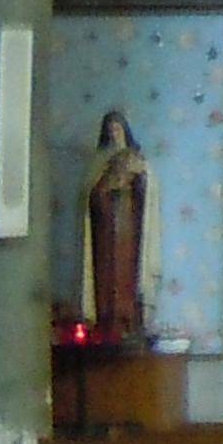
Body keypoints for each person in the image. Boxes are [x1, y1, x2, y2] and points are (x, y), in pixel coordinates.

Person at [81, 107, 155, 345]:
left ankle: (127, 319)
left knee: (125, 272)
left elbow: (148, 193)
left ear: (124, 130)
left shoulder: (136, 157)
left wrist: (138, 178)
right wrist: (105, 189)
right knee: (105, 273)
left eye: (117, 128)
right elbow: (89, 195)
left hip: (128, 226)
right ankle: (106, 320)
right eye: (110, 129)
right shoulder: (99, 162)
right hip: (104, 229)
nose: (114, 133)